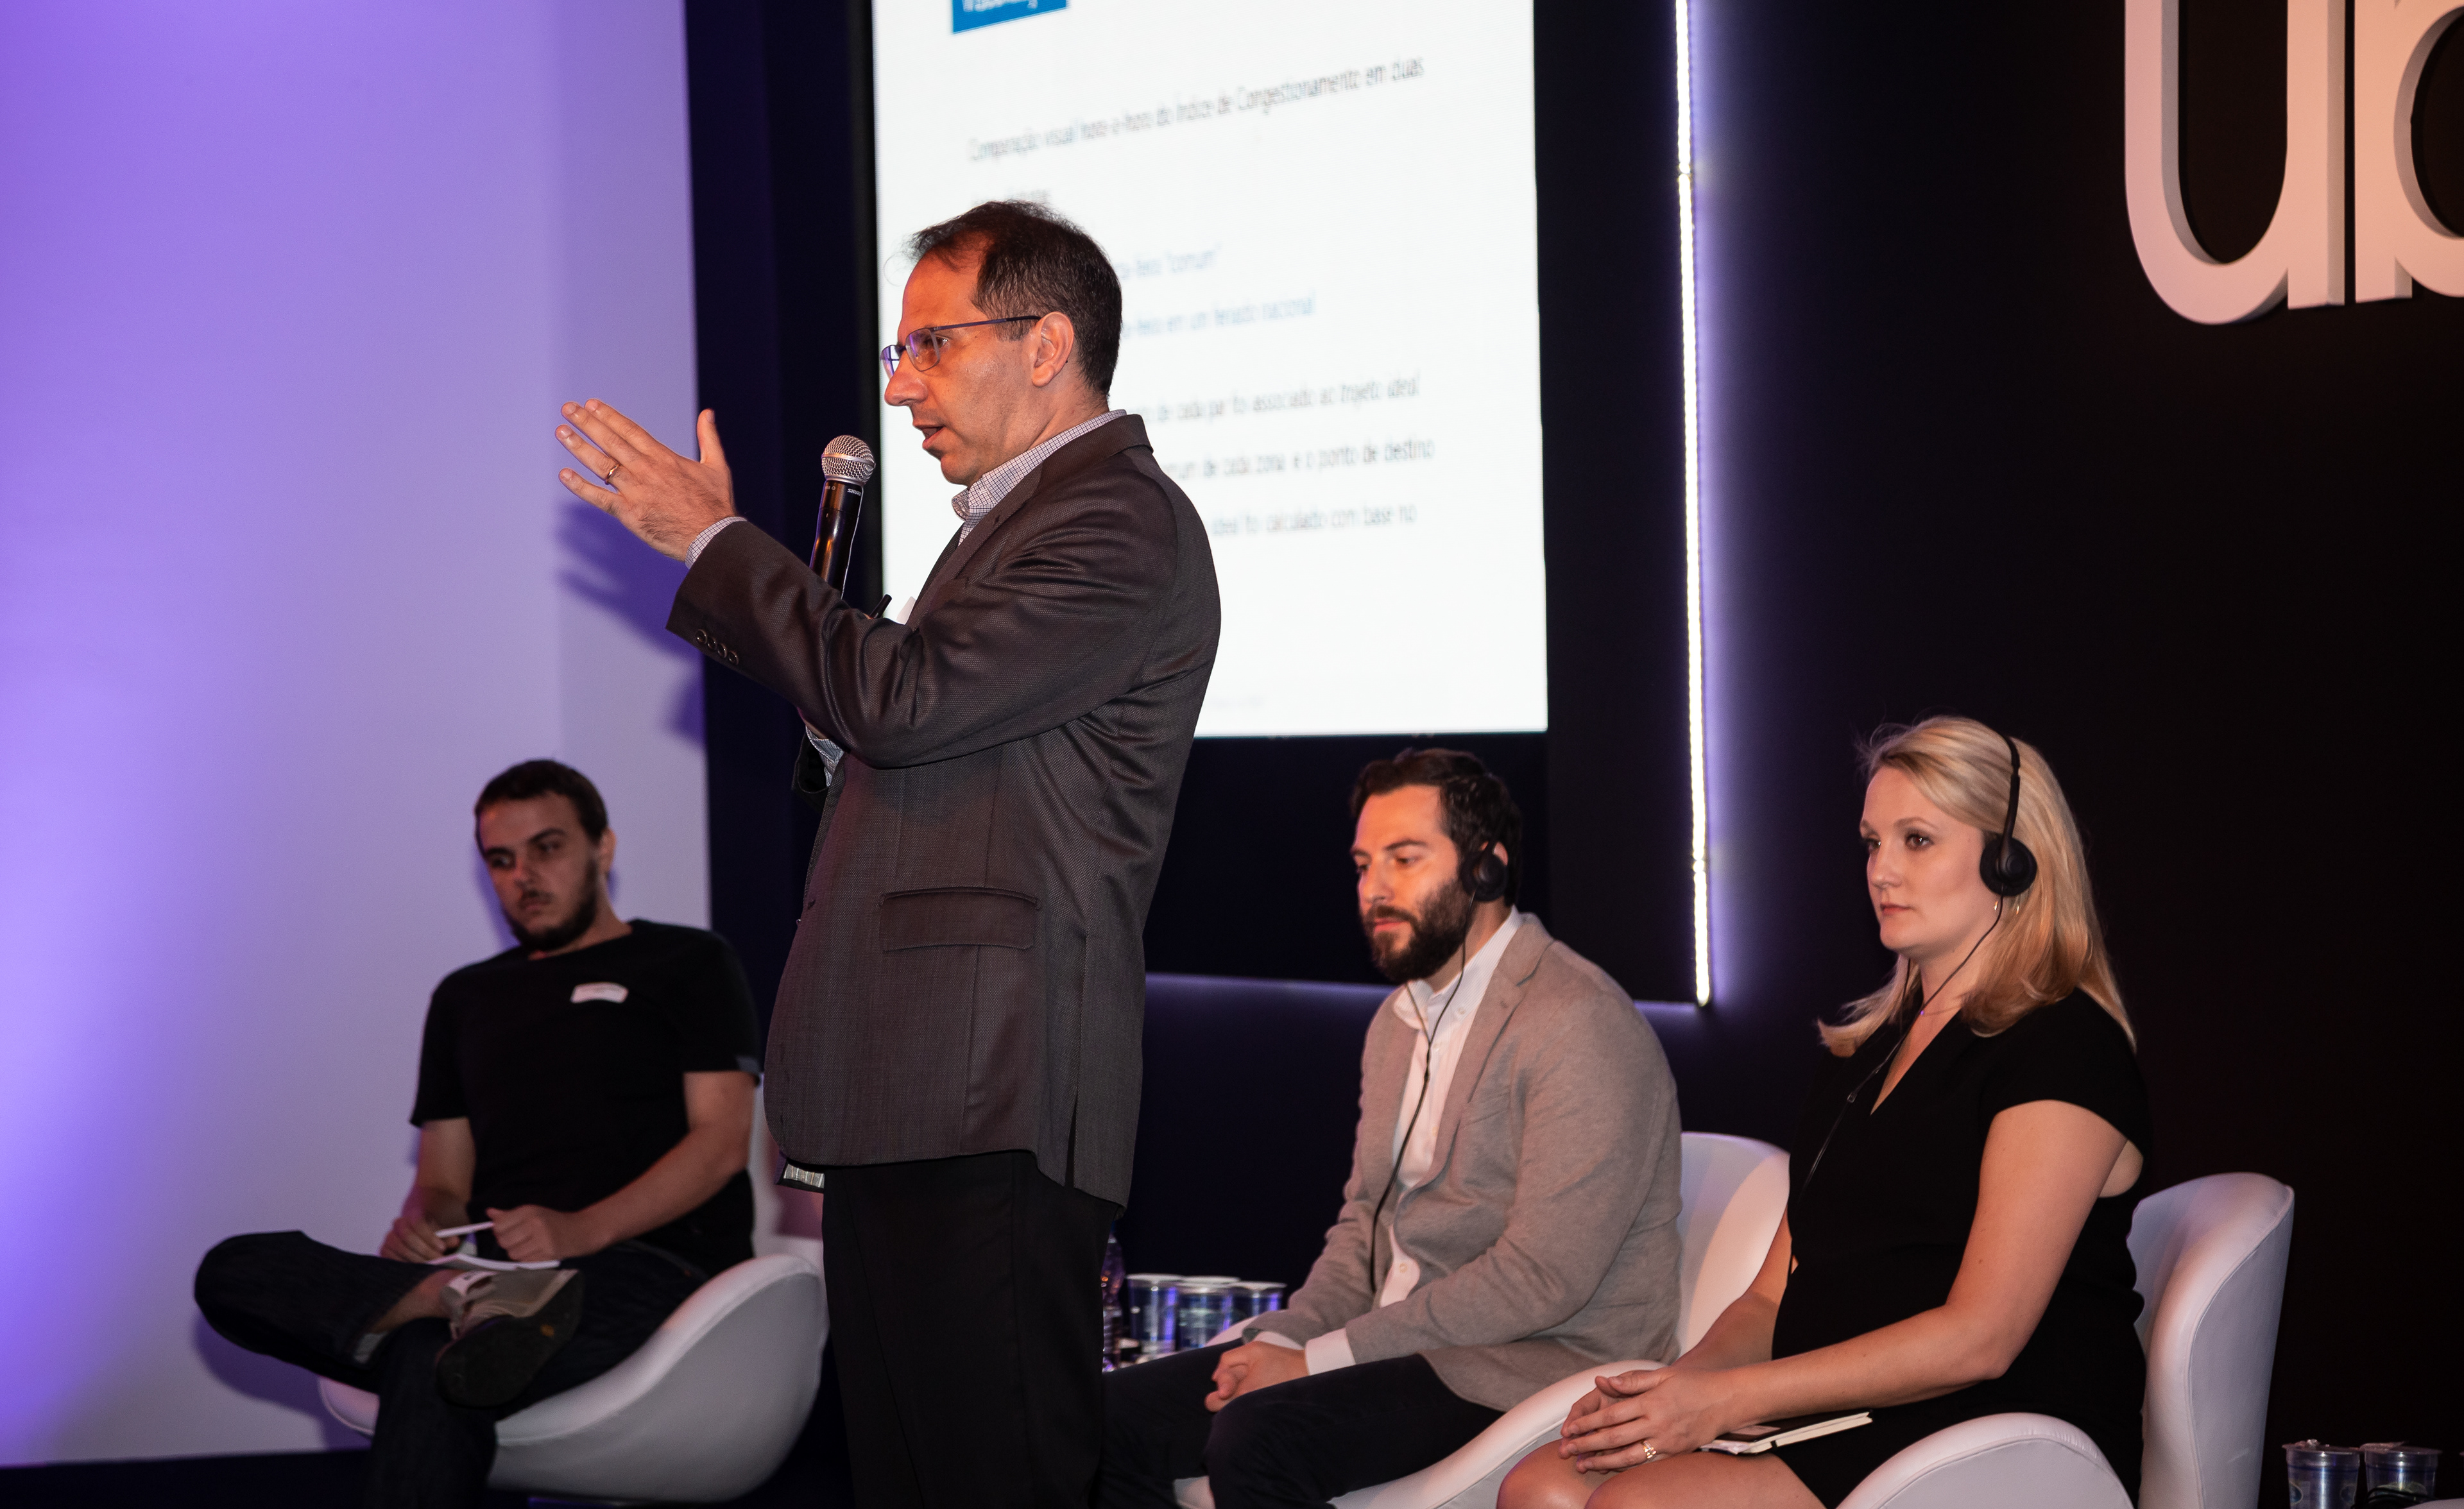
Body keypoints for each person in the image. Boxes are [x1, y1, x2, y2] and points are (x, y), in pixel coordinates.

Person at [549, 199, 1220, 1508]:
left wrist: (714, 543)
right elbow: (921, 732)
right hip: (917, 1080)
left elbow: (908, 703)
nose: (902, 386)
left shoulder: (1117, 520)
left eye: (932, 345)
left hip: (993, 1083)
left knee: (996, 1475)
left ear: (1046, 344)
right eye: (896, 353)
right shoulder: (1002, 527)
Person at [1503, 717, 2152, 1509]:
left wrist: (1728, 1401)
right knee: (1539, 1487)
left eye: (1918, 840)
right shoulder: (1864, 1053)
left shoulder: (2067, 1046)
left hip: (1998, 1431)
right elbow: (1770, 1299)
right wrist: (1676, 1391)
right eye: (1873, 843)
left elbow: (1981, 1337)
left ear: (2011, 860)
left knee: (1631, 1506)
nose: (1882, 870)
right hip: (1843, 1414)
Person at [1099, 749, 1686, 1509]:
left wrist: (1318, 1360)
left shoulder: (1579, 1022)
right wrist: (1286, 1338)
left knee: (1256, 1437)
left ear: (1486, 869)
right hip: (1402, 1343)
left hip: (1531, 1361)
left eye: (1405, 859)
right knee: (1103, 1419)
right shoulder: (1397, 1022)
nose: (1374, 887)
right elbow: (1364, 1229)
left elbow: (1541, 1278)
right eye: (1363, 864)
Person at [193, 760, 762, 1509]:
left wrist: (582, 1228)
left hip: (653, 1271)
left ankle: (469, 1309)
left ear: (603, 847)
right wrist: (424, 1226)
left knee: (433, 1357)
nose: (524, 876)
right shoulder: (466, 997)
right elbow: (442, 1183)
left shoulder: (688, 962)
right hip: (493, 1278)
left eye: (547, 847)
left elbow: (721, 1145)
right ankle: (455, 1295)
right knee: (233, 1270)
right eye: (501, 859)